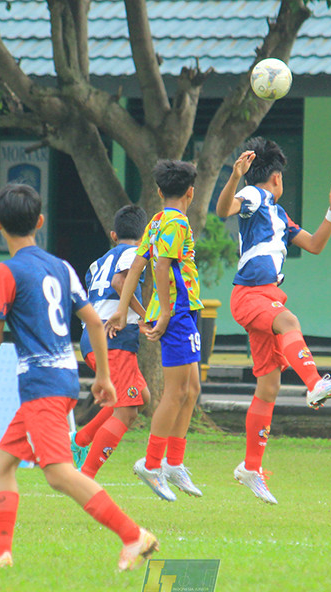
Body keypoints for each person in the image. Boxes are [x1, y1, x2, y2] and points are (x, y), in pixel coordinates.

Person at [0, 183, 157, 571]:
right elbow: (95, 320)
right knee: (1, 463)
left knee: (59, 474)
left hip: (41, 384)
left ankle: (133, 536)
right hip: (62, 377)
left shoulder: (6, 271)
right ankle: (0, 554)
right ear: (40, 222)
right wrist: (104, 376)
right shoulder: (61, 267)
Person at [214, 137, 331, 504]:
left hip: (266, 297)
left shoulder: (279, 215)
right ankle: (314, 383)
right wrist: (235, 177)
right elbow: (224, 208)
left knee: (269, 388)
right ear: (276, 177)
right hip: (251, 295)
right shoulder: (256, 196)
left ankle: (250, 468)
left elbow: (315, 245)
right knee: (289, 321)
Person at [107, 160, 203, 502]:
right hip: (176, 312)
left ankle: (174, 464)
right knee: (176, 393)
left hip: (185, 312)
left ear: (160, 192)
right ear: (191, 193)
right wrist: (163, 311)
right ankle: (151, 464)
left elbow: (137, 263)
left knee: (191, 389)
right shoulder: (176, 223)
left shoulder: (158, 220)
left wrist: (121, 310)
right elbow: (160, 265)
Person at [72, 204, 152, 478]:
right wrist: (146, 317)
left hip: (92, 338)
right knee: (128, 410)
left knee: (141, 397)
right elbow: (121, 283)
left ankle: (81, 440)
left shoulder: (98, 262)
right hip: (113, 339)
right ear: (143, 237)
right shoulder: (134, 253)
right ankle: (86, 476)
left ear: (113, 234)